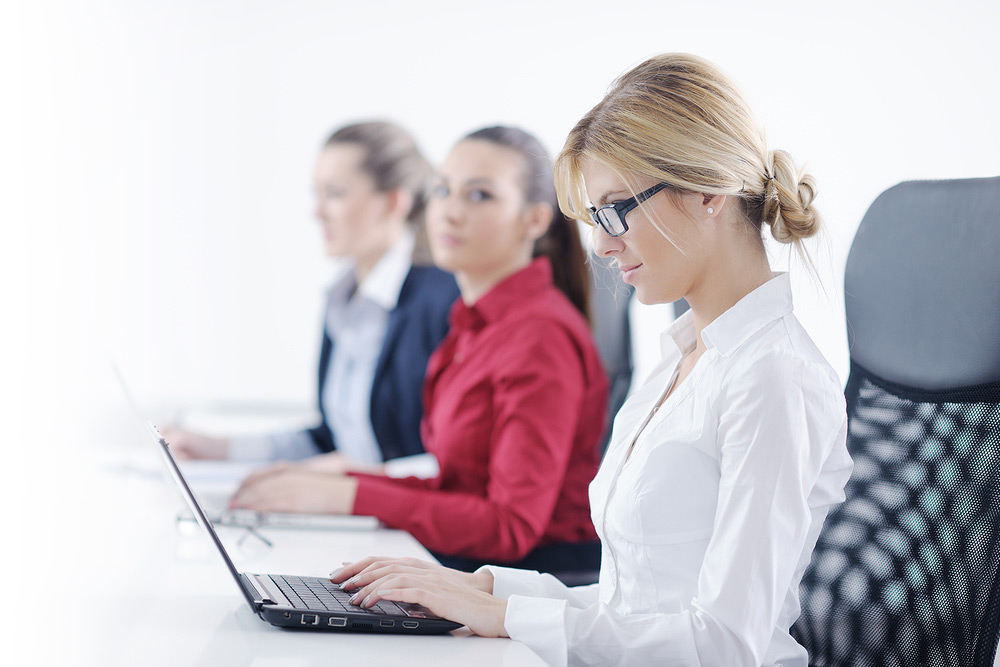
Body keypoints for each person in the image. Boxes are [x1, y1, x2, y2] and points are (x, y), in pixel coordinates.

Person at [328, 54, 854, 667]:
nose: (602, 245)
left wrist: (506, 615)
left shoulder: (773, 376)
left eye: (615, 210)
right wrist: (485, 588)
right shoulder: (684, 357)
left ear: (707, 191)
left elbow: (724, 644)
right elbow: (633, 604)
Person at [231, 126, 610, 575]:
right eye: (442, 190)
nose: (449, 211)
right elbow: (459, 487)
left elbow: (510, 526)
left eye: (480, 196)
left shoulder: (540, 336)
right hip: (468, 567)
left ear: (535, 219)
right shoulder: (474, 325)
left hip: (534, 586)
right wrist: (347, 481)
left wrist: (350, 495)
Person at [162, 121, 459, 475]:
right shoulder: (342, 300)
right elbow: (331, 440)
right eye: (315, 194)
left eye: (334, 193)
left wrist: (360, 480)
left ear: (393, 201)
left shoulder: (444, 301)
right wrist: (219, 447)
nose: (317, 211)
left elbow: (456, 462)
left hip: (404, 524)